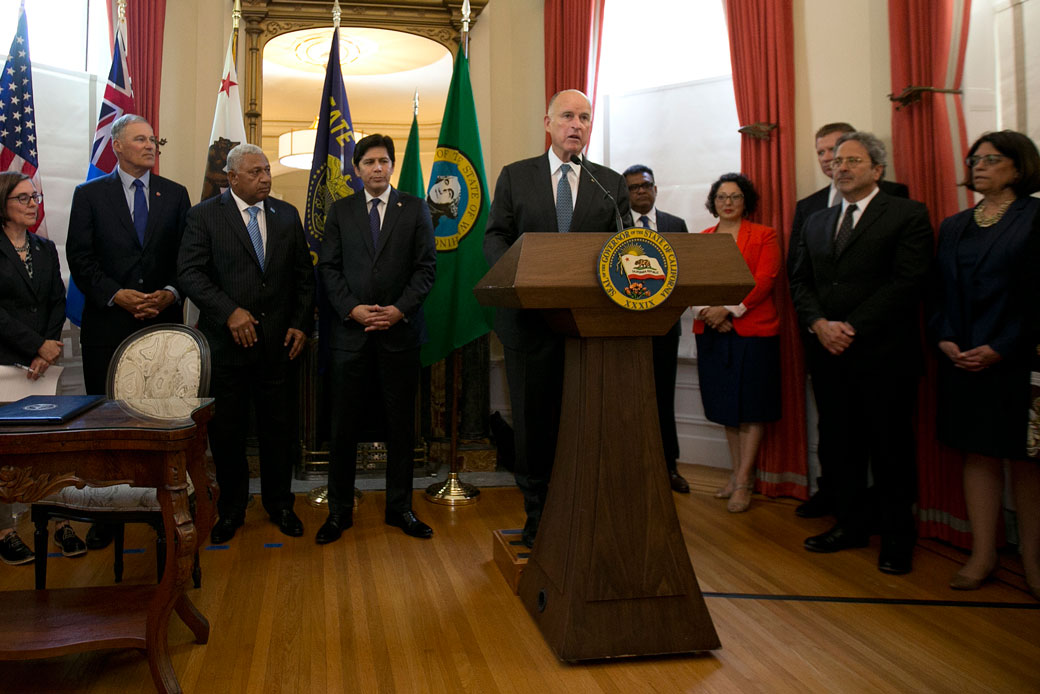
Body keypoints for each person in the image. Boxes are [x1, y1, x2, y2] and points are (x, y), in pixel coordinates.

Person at [485, 89, 632, 548]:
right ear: (547, 123)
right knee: (534, 425)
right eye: (567, 116)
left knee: (585, 422)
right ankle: (539, 516)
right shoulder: (517, 176)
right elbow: (495, 237)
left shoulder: (609, 183)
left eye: (584, 117)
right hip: (528, 324)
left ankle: (583, 513)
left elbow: (625, 246)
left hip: (589, 326)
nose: (576, 125)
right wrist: (521, 278)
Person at [789, 131, 932, 575]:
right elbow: (800, 281)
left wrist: (850, 327)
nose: (841, 167)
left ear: (877, 169)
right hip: (829, 355)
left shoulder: (907, 213)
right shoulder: (817, 220)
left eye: (852, 160)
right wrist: (819, 324)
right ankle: (849, 525)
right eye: (836, 161)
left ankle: (897, 538)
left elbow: (908, 282)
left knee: (890, 449)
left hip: (884, 354)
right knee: (840, 446)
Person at [178, 143, 314, 545]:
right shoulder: (204, 216)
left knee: (279, 431)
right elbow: (190, 273)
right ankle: (233, 509)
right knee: (228, 433)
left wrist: (300, 324)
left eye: (267, 170)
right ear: (232, 177)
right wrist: (229, 312)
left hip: (279, 347)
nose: (265, 178)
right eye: (255, 172)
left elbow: (304, 277)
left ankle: (280, 504)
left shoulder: (286, 215)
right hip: (227, 349)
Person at [65, 114, 191, 550]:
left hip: (162, 325)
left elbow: (187, 257)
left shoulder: (175, 194)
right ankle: (107, 512)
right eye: (140, 139)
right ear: (117, 146)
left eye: (154, 139)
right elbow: (80, 258)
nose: (150, 145)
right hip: (108, 326)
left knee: (160, 418)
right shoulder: (89, 195)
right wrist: (116, 295)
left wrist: (170, 293)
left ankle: (165, 506)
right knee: (109, 421)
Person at [928, 130, 1040, 597]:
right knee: (978, 454)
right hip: (962, 359)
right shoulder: (954, 224)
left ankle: (1034, 562)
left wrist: (1003, 346)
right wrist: (944, 337)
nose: (979, 166)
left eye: (991, 159)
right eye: (975, 159)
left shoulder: (1036, 216)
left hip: (1018, 360)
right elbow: (937, 292)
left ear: (1019, 167)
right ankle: (983, 554)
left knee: (1027, 462)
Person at [316, 134, 437, 544]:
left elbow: (425, 269)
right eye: (369, 162)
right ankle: (338, 512)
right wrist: (352, 309)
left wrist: (399, 310)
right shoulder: (341, 210)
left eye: (384, 161)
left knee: (401, 427)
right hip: (350, 336)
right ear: (356, 168)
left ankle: (400, 508)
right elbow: (328, 268)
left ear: (392, 165)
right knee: (343, 427)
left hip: (400, 335)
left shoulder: (415, 209)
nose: (377, 168)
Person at [0, 171, 86, 559]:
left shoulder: (45, 247)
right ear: (2, 204)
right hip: (5, 362)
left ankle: (57, 521)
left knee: (48, 447)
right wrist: (35, 345)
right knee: (6, 450)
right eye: (23, 198)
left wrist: (46, 349)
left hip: (43, 365)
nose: (33, 204)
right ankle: (5, 530)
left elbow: (55, 301)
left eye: (34, 197)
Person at [691, 174, 781, 513]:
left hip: (753, 332)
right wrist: (708, 312)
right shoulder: (703, 238)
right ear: (713, 202)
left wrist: (728, 310)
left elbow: (764, 279)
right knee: (727, 408)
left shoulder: (765, 235)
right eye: (721, 197)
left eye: (735, 196)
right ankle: (735, 474)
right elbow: (693, 281)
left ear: (746, 201)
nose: (728, 202)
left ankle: (744, 481)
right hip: (713, 333)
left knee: (751, 407)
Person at [623, 164, 691, 493]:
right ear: (625, 194)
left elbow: (687, 274)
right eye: (633, 187)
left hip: (665, 327)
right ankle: (630, 467)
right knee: (627, 401)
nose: (640, 191)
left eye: (645, 185)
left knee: (663, 398)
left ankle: (668, 467)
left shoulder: (676, 226)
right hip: (625, 329)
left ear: (655, 189)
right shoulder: (614, 226)